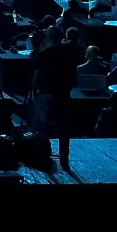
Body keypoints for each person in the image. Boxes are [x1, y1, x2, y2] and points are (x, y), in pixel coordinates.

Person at [32, 25, 77, 167]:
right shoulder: (69, 53)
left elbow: (37, 74)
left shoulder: (44, 53)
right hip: (63, 94)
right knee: (63, 128)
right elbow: (74, 74)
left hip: (45, 93)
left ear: (49, 37)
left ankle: (45, 154)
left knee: (43, 126)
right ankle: (64, 158)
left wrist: (33, 91)